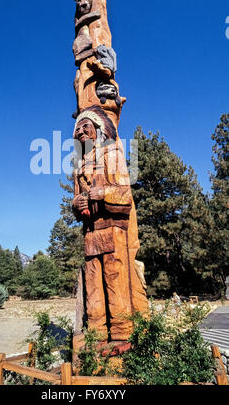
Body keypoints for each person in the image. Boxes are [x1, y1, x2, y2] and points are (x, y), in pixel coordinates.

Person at [72, 105, 148, 347]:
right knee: (93, 285)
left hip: (114, 231)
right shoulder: (79, 165)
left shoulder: (112, 154)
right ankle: (95, 333)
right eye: (77, 128)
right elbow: (76, 206)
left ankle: (122, 333)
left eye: (86, 126)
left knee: (115, 281)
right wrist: (78, 202)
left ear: (99, 130)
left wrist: (102, 192)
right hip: (90, 234)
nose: (81, 132)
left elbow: (125, 196)